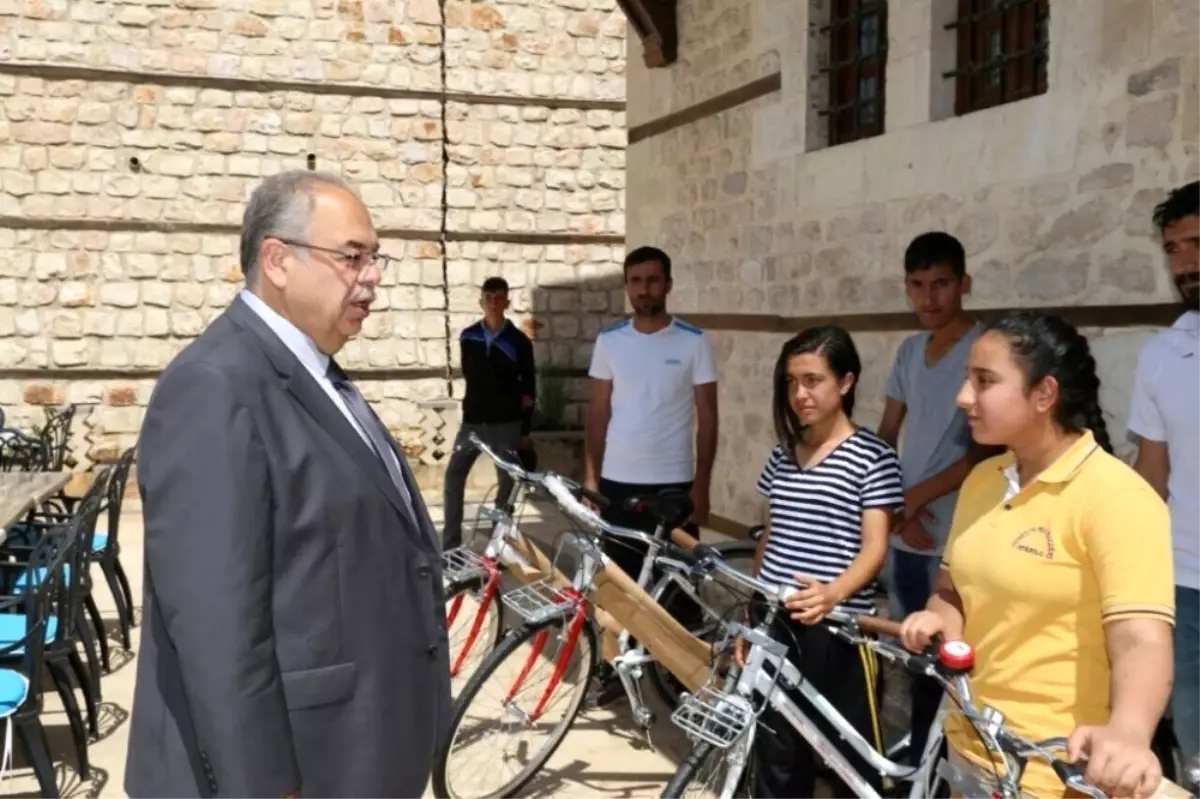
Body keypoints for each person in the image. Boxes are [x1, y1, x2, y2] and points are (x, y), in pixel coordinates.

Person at [127, 171, 450, 799]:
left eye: (375, 257)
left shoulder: (315, 375)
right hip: (292, 769)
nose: (372, 275)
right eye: (352, 256)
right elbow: (216, 628)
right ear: (277, 260)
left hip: (355, 751)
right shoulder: (216, 387)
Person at [901, 311, 1174, 799]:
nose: (964, 396)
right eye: (968, 378)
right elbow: (952, 588)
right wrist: (937, 617)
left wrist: (1130, 733)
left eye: (983, 381)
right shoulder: (984, 481)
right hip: (969, 751)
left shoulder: (1118, 498)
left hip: (1054, 772)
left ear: (1044, 394)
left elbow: (1141, 637)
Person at [741, 325, 904, 799]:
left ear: (846, 383)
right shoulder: (783, 454)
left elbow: (875, 548)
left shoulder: (873, 457)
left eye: (813, 380)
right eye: (792, 382)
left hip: (839, 633)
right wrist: (754, 614)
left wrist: (831, 594)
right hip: (777, 626)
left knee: (849, 762)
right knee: (776, 759)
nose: (800, 394)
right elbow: (770, 538)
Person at [877, 231, 996, 764]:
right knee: (915, 657)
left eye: (941, 284)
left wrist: (914, 500)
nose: (930, 297)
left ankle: (955, 762)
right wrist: (892, 509)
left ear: (964, 284)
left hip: (959, 534)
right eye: (918, 286)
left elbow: (983, 453)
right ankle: (920, 763)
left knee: (961, 660)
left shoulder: (984, 350)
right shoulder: (908, 351)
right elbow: (885, 435)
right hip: (908, 533)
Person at [584, 245, 719, 704]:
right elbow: (598, 412)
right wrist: (591, 477)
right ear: (628, 287)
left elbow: (709, 417)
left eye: (653, 280)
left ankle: (685, 680)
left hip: (673, 485)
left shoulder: (693, 341)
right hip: (618, 483)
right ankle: (614, 673)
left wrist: (701, 485)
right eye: (636, 281)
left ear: (667, 285)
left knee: (678, 592)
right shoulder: (610, 341)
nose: (645, 289)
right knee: (616, 588)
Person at [1129, 180, 1200, 783]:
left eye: (1198, 244)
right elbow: (1150, 480)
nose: (1186, 264)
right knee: (1194, 756)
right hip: (1185, 589)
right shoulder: (1161, 354)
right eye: (1174, 249)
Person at [442, 276, 536, 551]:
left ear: (507, 302)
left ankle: (497, 546)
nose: (493, 303)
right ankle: (450, 546)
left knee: (506, 486)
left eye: (499, 297)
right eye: (488, 297)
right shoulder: (468, 336)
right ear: (481, 301)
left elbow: (529, 389)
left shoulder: (519, 342)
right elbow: (473, 376)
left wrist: (525, 431)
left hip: (505, 426)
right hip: (471, 424)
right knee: (453, 477)